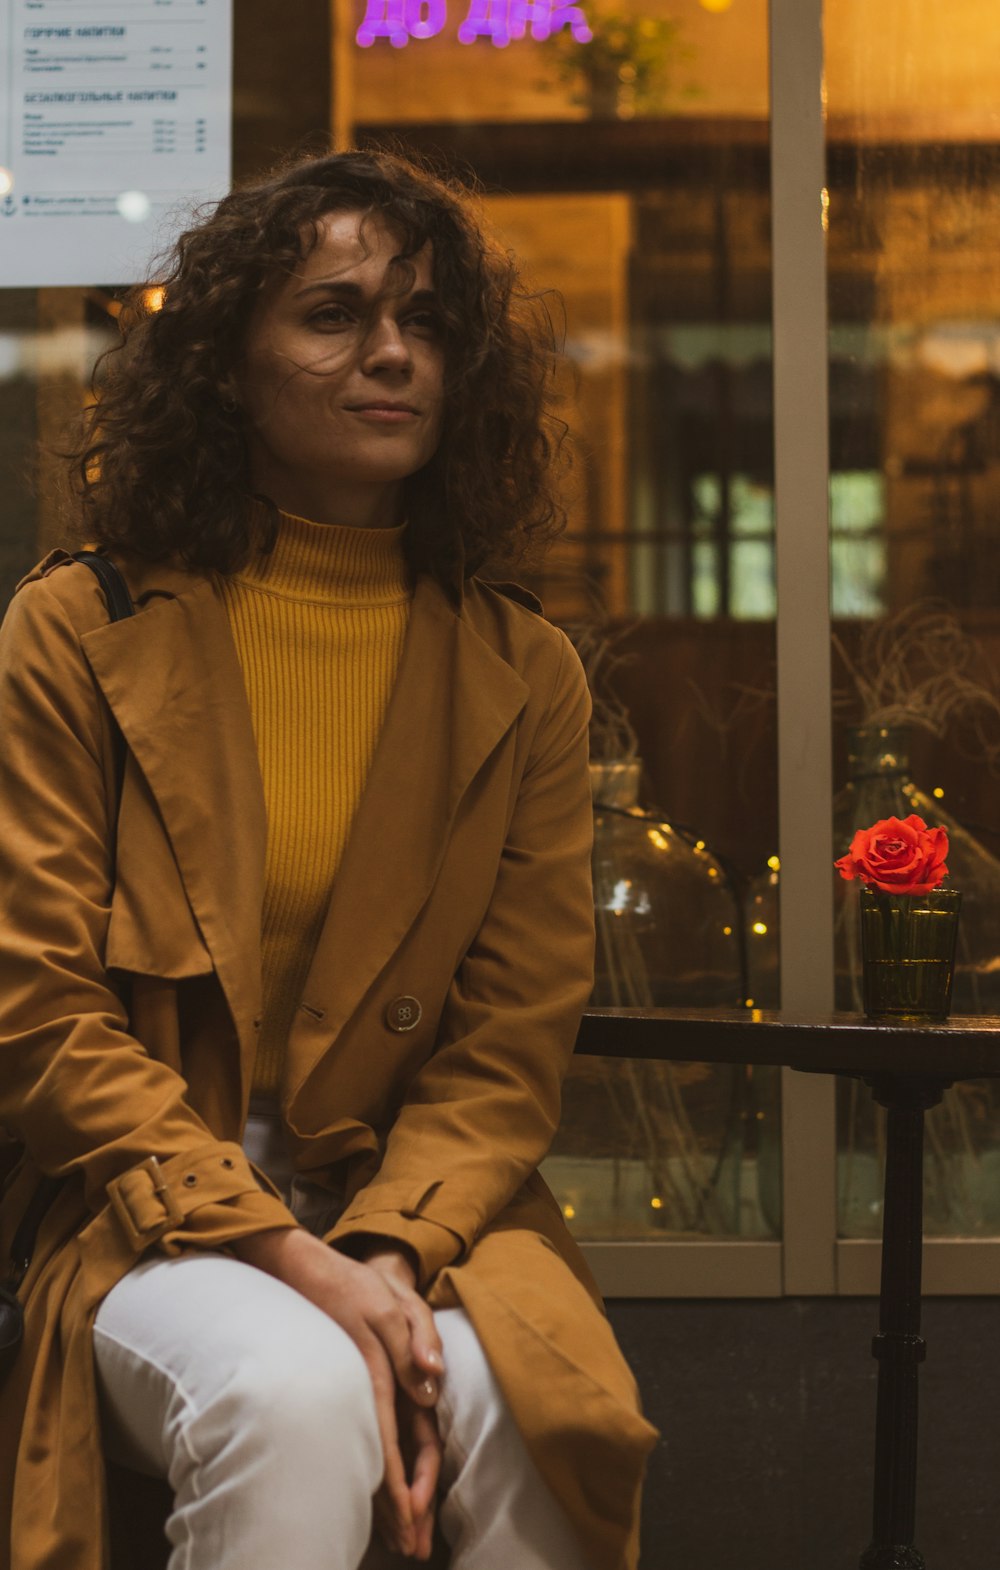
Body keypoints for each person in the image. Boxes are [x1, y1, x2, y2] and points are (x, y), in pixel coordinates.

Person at [0, 149, 656, 1570]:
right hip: (153, 1205)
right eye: (333, 313)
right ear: (227, 363)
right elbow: (39, 1013)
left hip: (420, 1206)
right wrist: (289, 1259)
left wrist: (388, 1253)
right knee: (293, 1394)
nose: (391, 353)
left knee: (532, 1409)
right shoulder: (75, 628)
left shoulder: (521, 665)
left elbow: (509, 1039)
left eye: (425, 322)